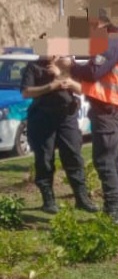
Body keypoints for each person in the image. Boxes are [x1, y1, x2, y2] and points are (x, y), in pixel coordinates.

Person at [54, 8, 118, 224]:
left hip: (108, 110)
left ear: (100, 23)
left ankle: (114, 209)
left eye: (89, 25)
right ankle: (116, 206)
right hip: (113, 109)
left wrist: (70, 66)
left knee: (105, 160)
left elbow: (93, 72)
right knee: (114, 159)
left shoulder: (112, 43)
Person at [20, 55, 98, 214]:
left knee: (73, 156)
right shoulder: (34, 66)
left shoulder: (68, 65)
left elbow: (84, 88)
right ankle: (48, 201)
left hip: (66, 117)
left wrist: (61, 76)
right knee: (44, 159)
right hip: (42, 118)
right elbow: (26, 92)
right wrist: (51, 86)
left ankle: (81, 198)